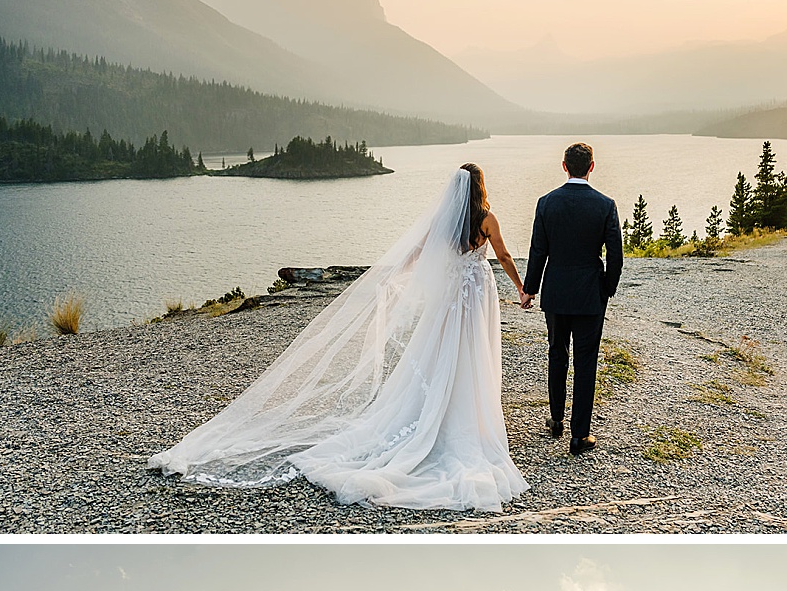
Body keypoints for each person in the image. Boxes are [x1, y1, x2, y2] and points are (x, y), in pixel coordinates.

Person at [149, 165, 531, 511]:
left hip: (450, 297)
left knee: (442, 351)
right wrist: (521, 289)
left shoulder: (445, 223)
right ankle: (467, 414)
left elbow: (417, 252)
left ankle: (440, 408)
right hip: (476, 295)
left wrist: (391, 276)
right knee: (473, 352)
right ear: (480, 188)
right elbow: (505, 255)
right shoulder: (487, 219)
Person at [523, 142, 623, 455]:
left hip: (555, 291)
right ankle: (580, 436)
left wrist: (530, 288)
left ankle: (555, 420)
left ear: (564, 166)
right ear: (592, 166)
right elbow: (616, 256)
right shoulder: (605, 205)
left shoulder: (546, 203)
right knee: (586, 362)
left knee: (556, 353)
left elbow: (538, 250)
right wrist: (606, 287)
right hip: (590, 295)